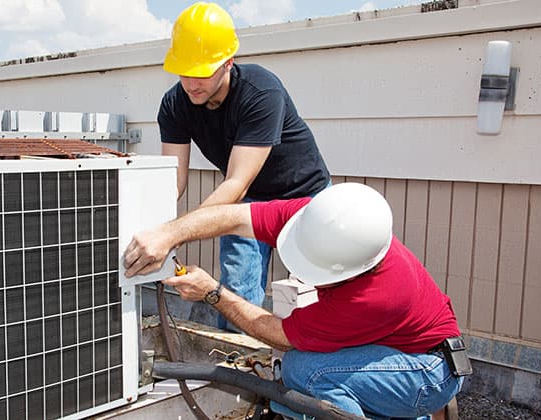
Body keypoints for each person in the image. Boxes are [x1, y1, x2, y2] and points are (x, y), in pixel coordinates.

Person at [124, 183, 466, 419]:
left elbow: (280, 336)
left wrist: (212, 292)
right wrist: (169, 233)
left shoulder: (376, 295)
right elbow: (233, 216)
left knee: (304, 371)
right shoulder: (320, 219)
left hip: (428, 372)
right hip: (401, 349)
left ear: (349, 271)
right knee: (307, 375)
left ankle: (403, 409)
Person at [158, 2, 330, 329]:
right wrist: (154, 226)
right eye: (185, 72)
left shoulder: (261, 91)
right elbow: (173, 181)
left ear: (228, 63)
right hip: (248, 202)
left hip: (306, 197)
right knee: (236, 293)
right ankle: (238, 370)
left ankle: (315, 367)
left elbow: (237, 182)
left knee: (323, 290)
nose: (192, 83)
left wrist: (174, 233)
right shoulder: (174, 104)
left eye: (204, 71)